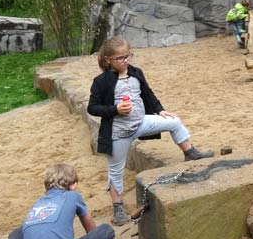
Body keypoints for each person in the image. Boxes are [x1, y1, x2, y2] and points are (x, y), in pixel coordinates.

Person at [87, 36, 214, 226]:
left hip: (140, 123)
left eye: (128, 55)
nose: (126, 61)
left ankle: (190, 152)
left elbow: (148, 93)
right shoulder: (101, 81)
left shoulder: (136, 73)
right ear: (108, 60)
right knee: (115, 171)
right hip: (117, 133)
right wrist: (115, 110)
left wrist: (160, 110)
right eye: (120, 58)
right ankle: (118, 208)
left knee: (174, 121)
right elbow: (92, 107)